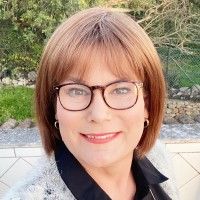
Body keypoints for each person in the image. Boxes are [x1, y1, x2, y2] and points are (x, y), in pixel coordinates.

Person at [4, 7, 179, 200]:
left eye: (121, 89)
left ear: (147, 104)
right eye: (76, 90)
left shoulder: (159, 159)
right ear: (53, 106)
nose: (98, 114)